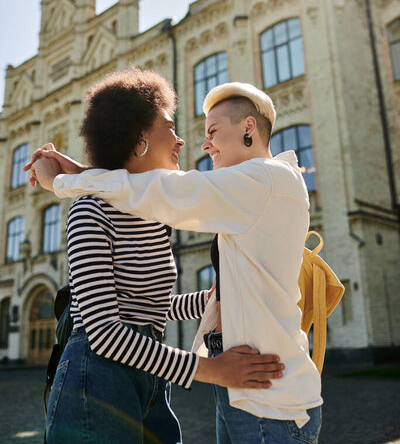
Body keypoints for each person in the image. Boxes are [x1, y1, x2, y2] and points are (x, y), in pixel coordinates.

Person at [28, 79, 322, 444]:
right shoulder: (92, 209)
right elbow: (107, 329)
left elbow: (168, 194)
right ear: (140, 140)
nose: (189, 141)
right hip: (99, 380)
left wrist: (65, 179)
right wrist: (211, 335)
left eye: (212, 130)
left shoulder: (253, 183)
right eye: (171, 128)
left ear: (248, 127)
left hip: (161, 381)